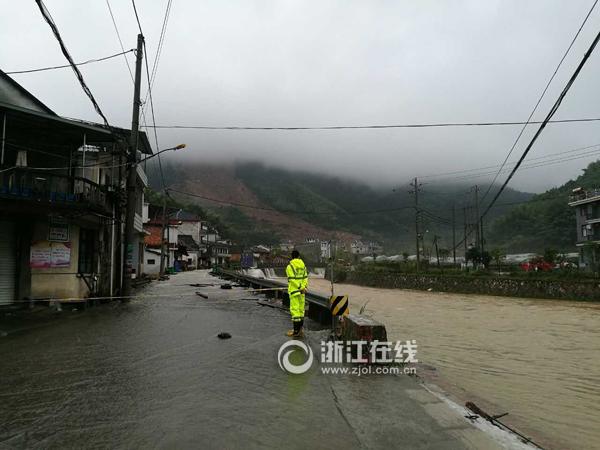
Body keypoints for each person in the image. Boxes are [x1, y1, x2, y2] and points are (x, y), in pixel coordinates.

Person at [285, 250, 308, 337]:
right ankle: (301, 330)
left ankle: (295, 331)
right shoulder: (303, 266)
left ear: (292, 256)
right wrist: (303, 287)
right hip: (302, 292)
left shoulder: (289, 266)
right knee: (301, 310)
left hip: (295, 291)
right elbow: (305, 278)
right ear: (298, 256)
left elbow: (292, 279)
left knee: (295, 311)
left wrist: (299, 287)